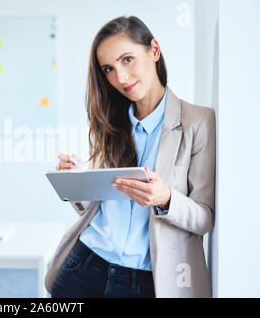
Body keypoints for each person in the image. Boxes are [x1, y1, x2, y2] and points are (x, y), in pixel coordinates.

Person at [45, 16, 216, 298]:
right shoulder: (111, 121)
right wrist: (79, 181)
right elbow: (102, 208)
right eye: (109, 69)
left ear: (154, 50)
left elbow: (204, 218)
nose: (120, 78)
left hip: (148, 281)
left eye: (127, 59)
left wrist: (166, 198)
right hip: (85, 266)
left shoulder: (198, 122)